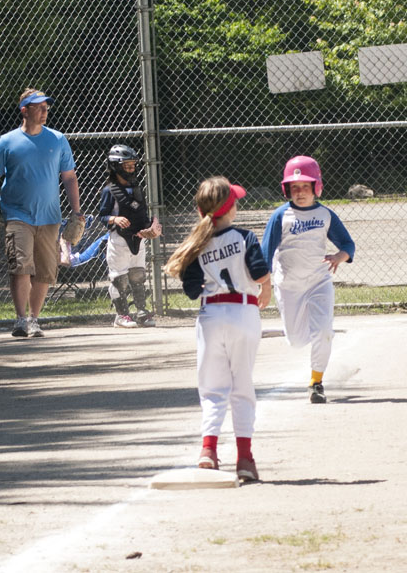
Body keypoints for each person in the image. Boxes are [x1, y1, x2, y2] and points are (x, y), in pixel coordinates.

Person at [164, 177, 271, 482]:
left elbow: (191, 291)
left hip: (210, 315)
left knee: (212, 387)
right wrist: (266, 287)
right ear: (230, 208)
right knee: (242, 386)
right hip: (243, 312)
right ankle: (245, 459)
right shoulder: (244, 236)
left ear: (201, 212)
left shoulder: (198, 244)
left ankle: (208, 450)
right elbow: (259, 273)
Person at [0, 88, 82, 338]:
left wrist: (76, 211)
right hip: (17, 215)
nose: (45, 111)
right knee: (20, 265)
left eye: (46, 107)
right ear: (24, 110)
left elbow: (69, 177)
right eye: (39, 107)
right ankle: (20, 319)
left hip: (49, 216)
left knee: (44, 271)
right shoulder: (7, 142)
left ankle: (34, 319)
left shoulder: (57, 140)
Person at [260, 155, 355, 405]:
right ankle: (317, 338)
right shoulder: (281, 215)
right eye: (294, 187)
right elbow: (265, 253)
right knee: (296, 341)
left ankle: (316, 382)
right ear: (287, 189)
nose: (300, 192)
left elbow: (348, 244)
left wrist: (340, 257)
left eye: (305, 186)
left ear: (316, 187)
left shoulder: (325, 215)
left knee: (323, 332)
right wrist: (265, 286)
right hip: (288, 285)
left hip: (318, 282)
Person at [98, 145, 162, 329]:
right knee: (119, 278)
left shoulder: (136, 188)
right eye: (127, 165)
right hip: (119, 239)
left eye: (133, 165)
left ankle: (141, 312)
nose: (131, 169)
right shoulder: (109, 190)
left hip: (138, 239)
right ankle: (121, 315)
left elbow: (141, 215)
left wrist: (151, 226)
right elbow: (102, 216)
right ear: (115, 166)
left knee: (138, 275)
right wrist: (115, 219)